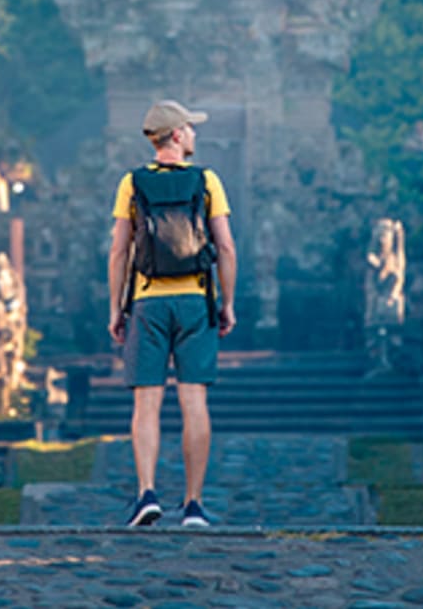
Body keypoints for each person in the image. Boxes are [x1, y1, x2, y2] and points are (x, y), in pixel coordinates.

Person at [108, 99, 237, 527]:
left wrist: (116, 308)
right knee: (193, 401)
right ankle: (194, 504)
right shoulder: (207, 180)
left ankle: (146, 494)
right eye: (191, 128)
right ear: (177, 136)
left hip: (147, 302)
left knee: (146, 404)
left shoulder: (132, 183)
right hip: (195, 301)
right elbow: (226, 248)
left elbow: (119, 251)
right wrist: (227, 302)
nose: (195, 135)